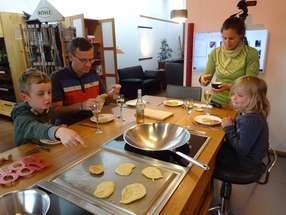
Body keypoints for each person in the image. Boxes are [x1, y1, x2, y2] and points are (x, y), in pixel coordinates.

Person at [51, 37, 120, 125]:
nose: (88, 64)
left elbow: (104, 100)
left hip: (93, 121)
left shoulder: (93, 73)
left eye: (90, 59)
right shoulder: (58, 77)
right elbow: (55, 111)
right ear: (71, 57)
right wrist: (81, 106)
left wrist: (111, 95)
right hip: (70, 126)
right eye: (83, 60)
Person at [11, 69, 85, 147]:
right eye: (40, 94)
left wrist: (57, 127)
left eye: (49, 92)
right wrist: (58, 131)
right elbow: (34, 127)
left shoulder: (47, 108)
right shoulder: (21, 115)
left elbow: (47, 124)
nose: (48, 97)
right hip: (26, 153)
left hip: (44, 148)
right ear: (25, 97)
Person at [199, 16, 259, 107]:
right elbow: (206, 79)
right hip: (216, 102)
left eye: (231, 39)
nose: (227, 42)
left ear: (240, 36)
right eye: (224, 38)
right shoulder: (215, 53)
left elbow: (250, 85)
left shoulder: (251, 53)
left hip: (240, 104)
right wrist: (202, 79)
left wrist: (228, 86)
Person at [216, 76, 270, 172]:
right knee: (215, 145)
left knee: (209, 155)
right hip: (246, 157)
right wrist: (233, 123)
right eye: (233, 94)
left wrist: (229, 128)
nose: (233, 98)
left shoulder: (251, 120)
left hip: (246, 163)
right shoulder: (247, 113)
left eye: (240, 95)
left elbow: (241, 150)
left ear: (255, 99)